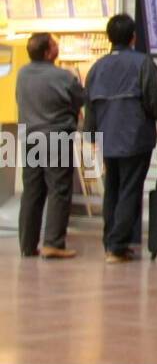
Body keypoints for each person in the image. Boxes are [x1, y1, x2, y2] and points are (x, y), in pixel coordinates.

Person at [84, 14, 157, 263]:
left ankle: (111, 242)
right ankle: (117, 245)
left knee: (112, 190)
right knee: (129, 190)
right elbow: (156, 99)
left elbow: (90, 106)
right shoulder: (142, 63)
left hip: (107, 139)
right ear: (133, 37)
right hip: (134, 138)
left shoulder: (96, 68)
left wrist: (91, 135)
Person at [17, 33, 86, 259]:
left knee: (32, 192)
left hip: (30, 138)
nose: (58, 46)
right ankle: (53, 243)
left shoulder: (22, 74)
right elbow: (80, 99)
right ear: (48, 52)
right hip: (56, 137)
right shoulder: (63, 77)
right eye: (55, 44)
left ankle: (27, 245)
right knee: (59, 189)